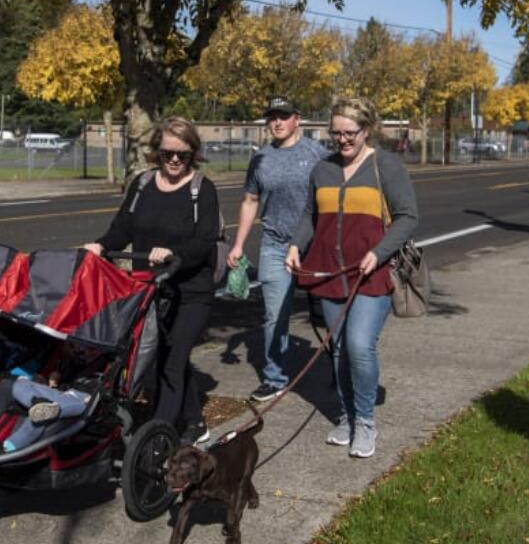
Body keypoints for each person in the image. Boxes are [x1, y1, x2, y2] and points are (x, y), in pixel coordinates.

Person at [285, 96, 418, 459]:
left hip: (371, 274)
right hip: (329, 272)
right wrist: (297, 246)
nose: (342, 140)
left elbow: (408, 217)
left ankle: (365, 421)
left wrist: (380, 252)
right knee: (339, 348)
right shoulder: (322, 169)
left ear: (367, 130)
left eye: (350, 133)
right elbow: (311, 216)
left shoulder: (386, 166)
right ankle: (345, 417)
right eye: (335, 133)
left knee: (359, 345)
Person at [84, 117, 221, 445]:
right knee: (160, 358)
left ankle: (159, 438)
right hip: (150, 288)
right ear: (156, 152)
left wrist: (174, 252)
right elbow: (123, 227)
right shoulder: (143, 184)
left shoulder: (201, 190)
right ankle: (195, 421)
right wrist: (101, 245)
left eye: (182, 155)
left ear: (193, 154)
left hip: (190, 290)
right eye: (167, 153)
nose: (174, 160)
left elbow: (204, 242)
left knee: (171, 360)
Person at [226, 96, 327, 403]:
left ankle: (340, 368)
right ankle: (275, 377)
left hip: (314, 244)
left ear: (298, 119)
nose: (277, 122)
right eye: (272, 117)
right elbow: (250, 200)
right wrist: (239, 245)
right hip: (275, 244)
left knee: (328, 312)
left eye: (284, 116)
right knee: (275, 315)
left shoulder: (317, 153)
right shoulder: (261, 158)